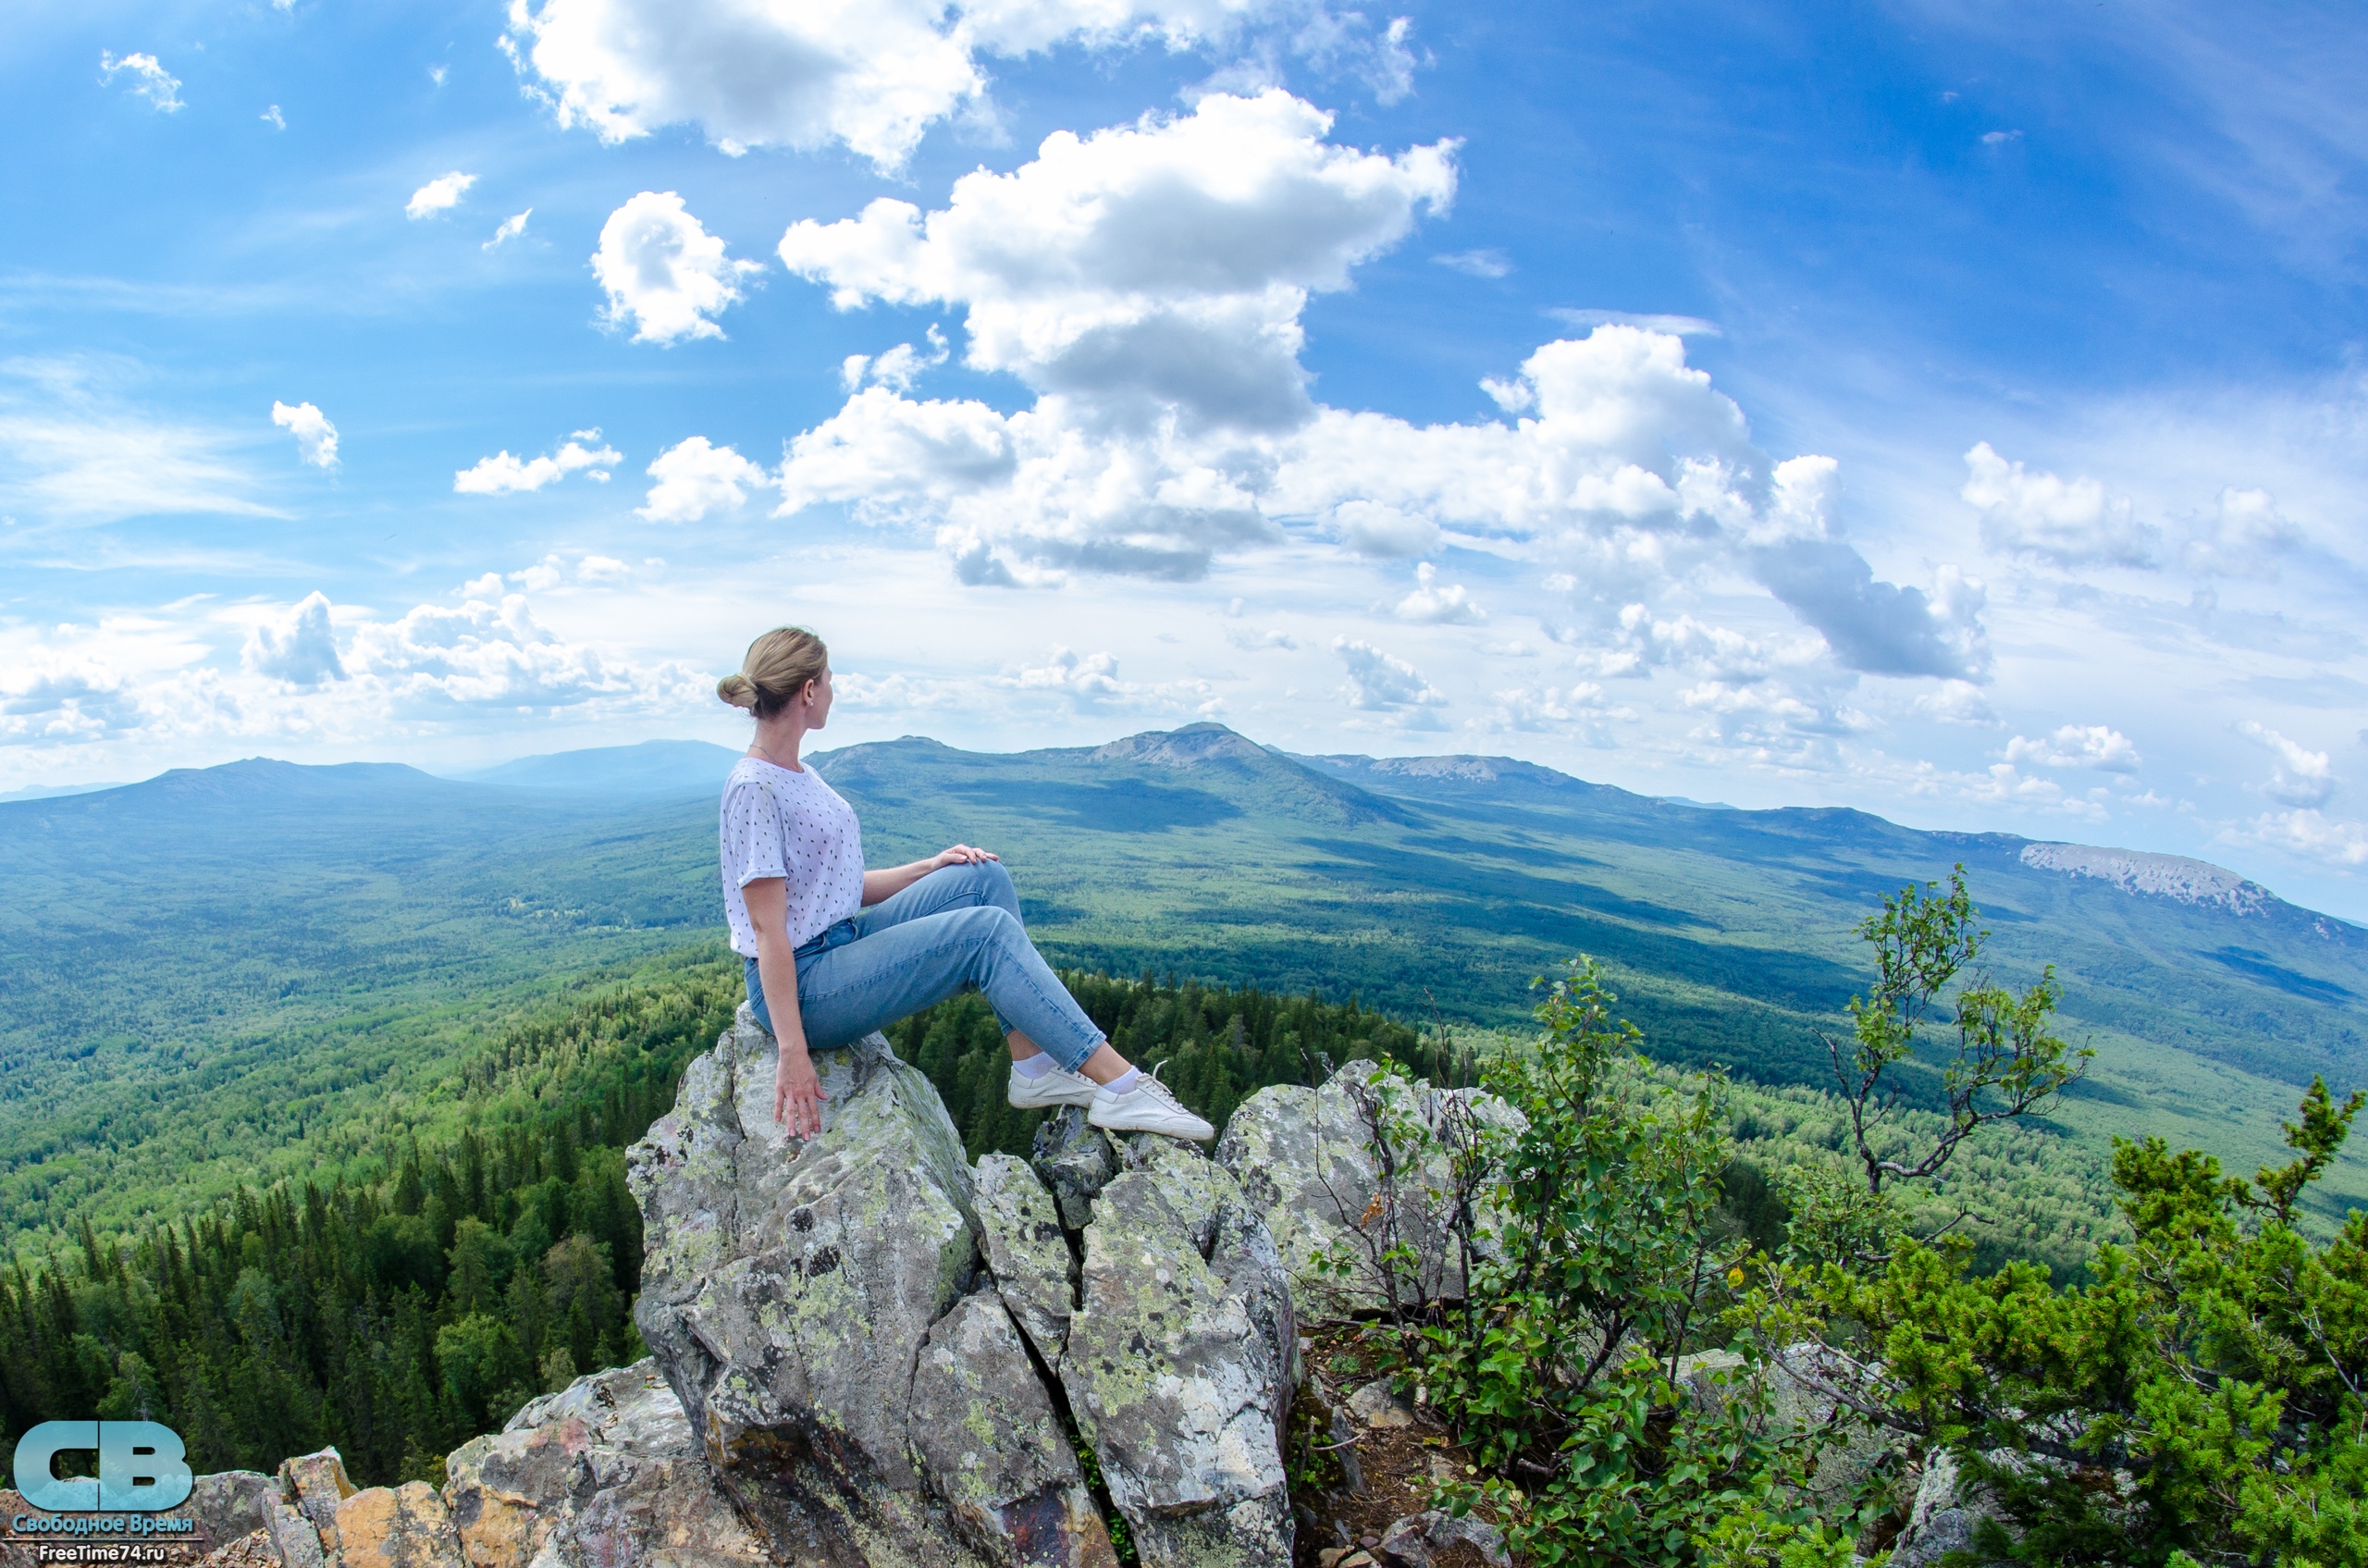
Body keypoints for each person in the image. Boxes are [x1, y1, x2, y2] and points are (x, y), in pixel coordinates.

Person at [716, 625, 1215, 1144]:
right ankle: (1122, 1085)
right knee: (985, 934)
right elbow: (768, 929)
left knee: (982, 879)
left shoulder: (800, 772)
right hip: (806, 987)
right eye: (830, 679)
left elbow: (832, 889)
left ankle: (1034, 1067)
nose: (834, 692)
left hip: (840, 942)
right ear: (809, 691)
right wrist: (793, 1054)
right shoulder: (754, 787)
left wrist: (932, 867)